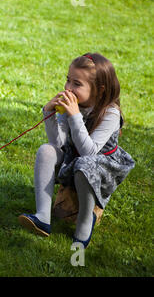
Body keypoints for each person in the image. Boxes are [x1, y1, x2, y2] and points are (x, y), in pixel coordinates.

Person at [18, 53, 135, 248]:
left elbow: (89, 153)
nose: (68, 88)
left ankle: (84, 222)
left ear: (99, 89)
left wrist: (74, 116)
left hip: (100, 167)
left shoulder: (111, 113)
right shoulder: (75, 105)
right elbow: (58, 142)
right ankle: (42, 218)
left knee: (84, 164)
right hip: (76, 158)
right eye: (68, 80)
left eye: (77, 84)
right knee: (47, 150)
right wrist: (49, 113)